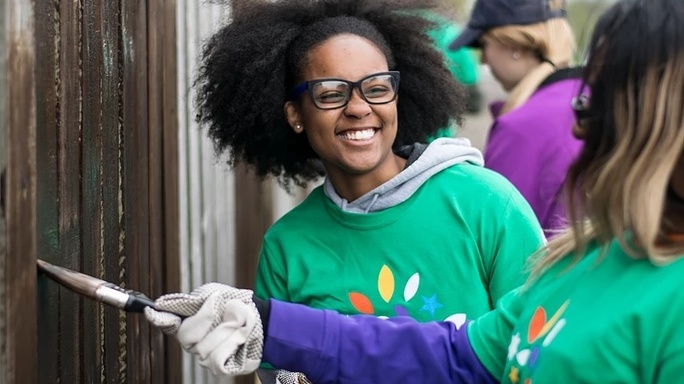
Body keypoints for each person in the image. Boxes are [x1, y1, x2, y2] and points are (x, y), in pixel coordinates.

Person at [145, 0, 684, 382]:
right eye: (331, 92)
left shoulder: (665, 297)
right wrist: (272, 324)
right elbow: (452, 356)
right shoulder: (577, 268)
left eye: (590, 104)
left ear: (658, 120)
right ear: (292, 113)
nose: (575, 130)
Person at [171, 0, 545, 382]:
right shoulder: (287, 247)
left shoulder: (487, 204)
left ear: (397, 96)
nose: (358, 107)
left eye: (377, 88)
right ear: (295, 115)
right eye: (331, 94)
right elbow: (278, 375)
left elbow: (540, 347)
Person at [449, 0, 584, 237]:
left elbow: (496, 235)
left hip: (551, 271)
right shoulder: (596, 97)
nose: (483, 61)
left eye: (483, 45)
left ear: (515, 46)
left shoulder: (522, 128)